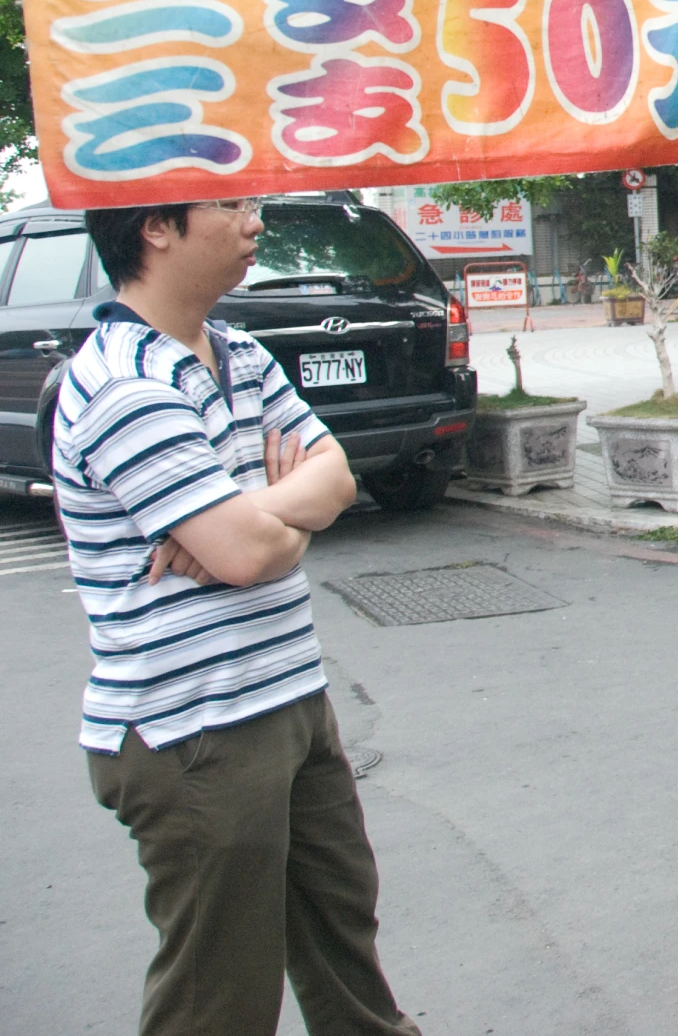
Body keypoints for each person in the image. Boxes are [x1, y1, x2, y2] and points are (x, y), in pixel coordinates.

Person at [58, 197, 419, 1036]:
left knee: (345, 949)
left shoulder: (241, 353)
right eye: (228, 205)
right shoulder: (122, 384)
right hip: (194, 731)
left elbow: (330, 480)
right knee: (218, 998)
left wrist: (252, 516)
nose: (255, 223)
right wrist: (262, 529)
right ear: (155, 227)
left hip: (291, 697)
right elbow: (251, 552)